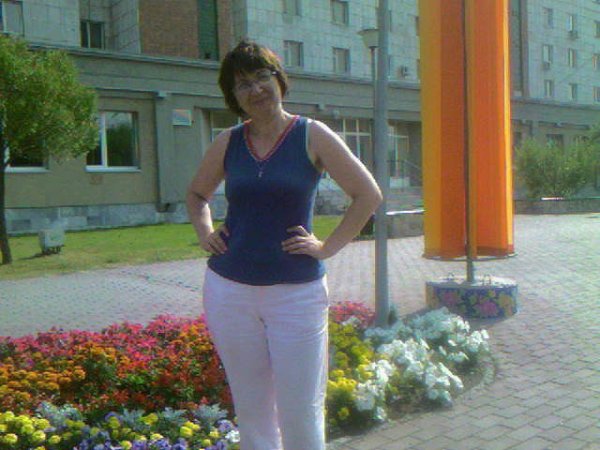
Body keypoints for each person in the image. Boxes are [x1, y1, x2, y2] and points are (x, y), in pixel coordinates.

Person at [186, 40, 382, 450]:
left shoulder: (312, 135)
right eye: (243, 84)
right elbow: (197, 194)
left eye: (262, 77)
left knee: (300, 408)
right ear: (233, 96)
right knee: (252, 408)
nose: (255, 89)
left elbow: (368, 195)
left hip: (297, 294)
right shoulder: (228, 141)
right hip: (229, 291)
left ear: (279, 80)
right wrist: (205, 233)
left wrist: (326, 248)